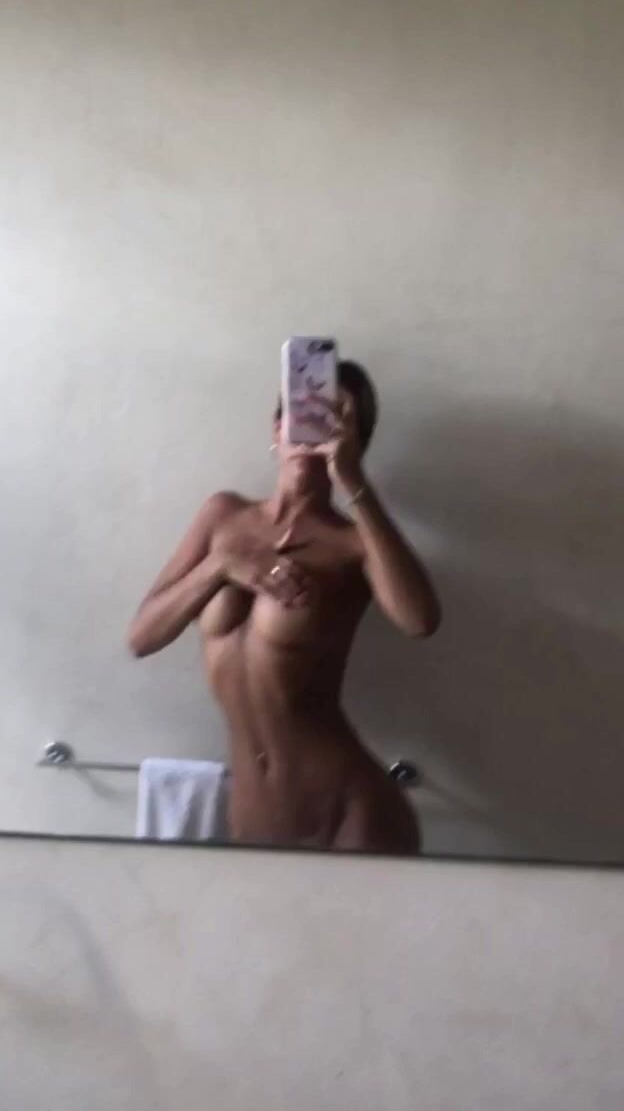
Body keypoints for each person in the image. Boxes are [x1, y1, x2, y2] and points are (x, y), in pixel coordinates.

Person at [128, 361, 440, 853]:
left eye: (337, 417)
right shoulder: (223, 517)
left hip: (350, 816)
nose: (315, 428)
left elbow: (419, 620)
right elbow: (142, 638)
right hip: (256, 817)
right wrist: (220, 565)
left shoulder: (354, 544)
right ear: (278, 428)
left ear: (356, 440)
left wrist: (353, 479)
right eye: (306, 410)